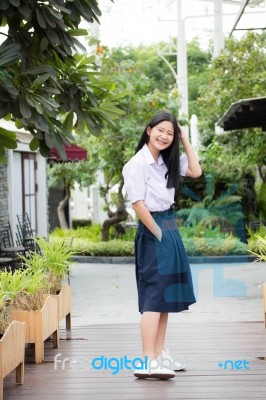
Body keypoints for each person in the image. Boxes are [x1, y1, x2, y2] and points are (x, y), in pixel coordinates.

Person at [122, 111, 202, 380]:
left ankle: (158, 355)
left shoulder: (166, 162)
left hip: (168, 224)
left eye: (170, 133)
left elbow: (195, 170)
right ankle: (147, 360)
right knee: (154, 296)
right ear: (149, 130)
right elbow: (137, 204)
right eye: (160, 130)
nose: (164, 136)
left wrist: (185, 139)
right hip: (154, 227)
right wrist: (159, 234)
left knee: (165, 297)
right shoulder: (137, 164)